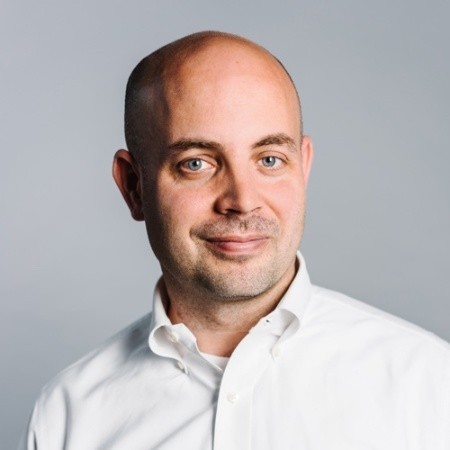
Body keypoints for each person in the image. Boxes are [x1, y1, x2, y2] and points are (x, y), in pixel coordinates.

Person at [19, 31, 449, 450]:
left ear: (303, 168)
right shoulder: (68, 417)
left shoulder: (429, 386)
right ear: (134, 186)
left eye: (270, 159)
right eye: (196, 164)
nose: (242, 201)